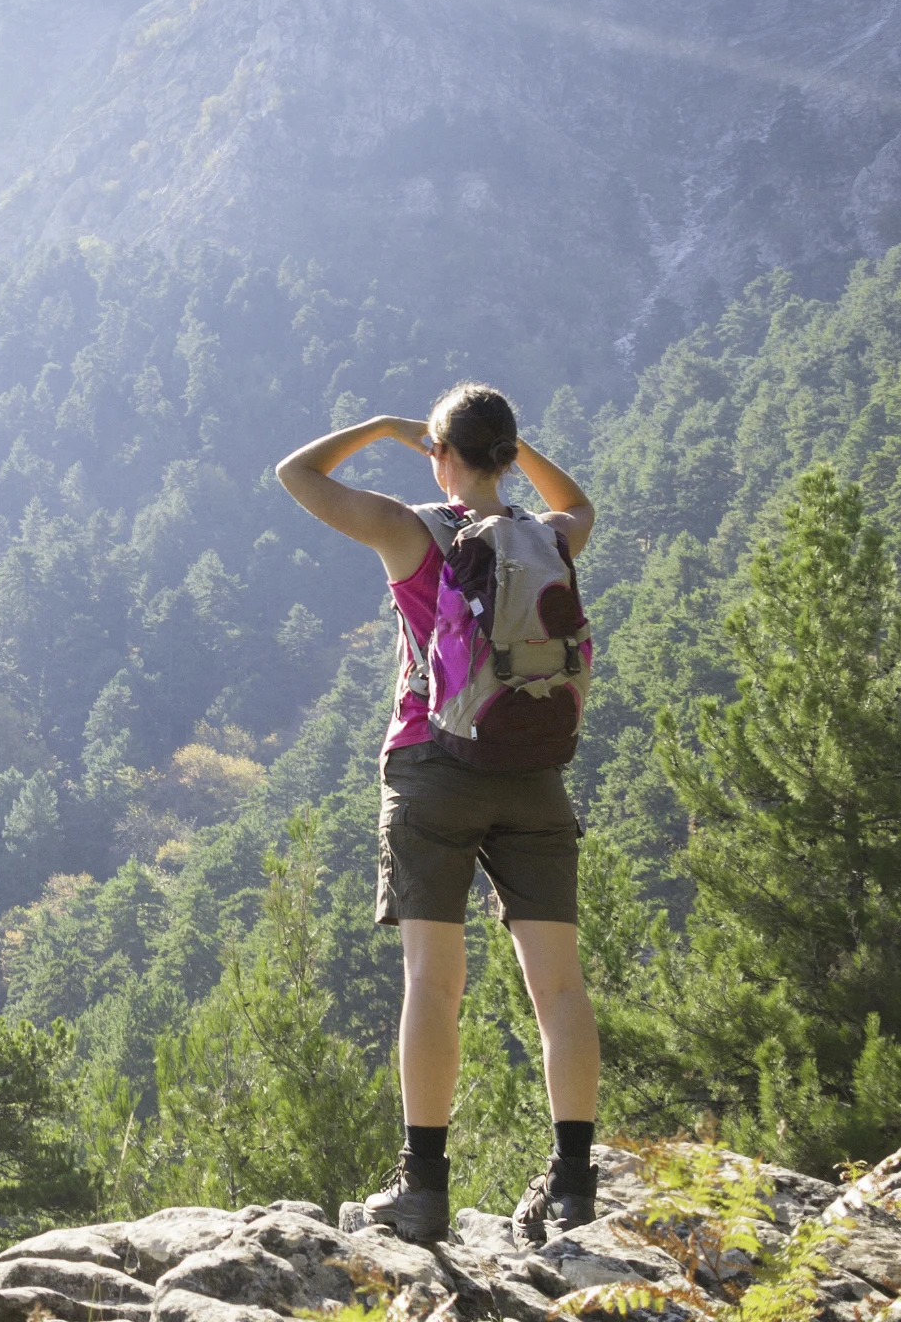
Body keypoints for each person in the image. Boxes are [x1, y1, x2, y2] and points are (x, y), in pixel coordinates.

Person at [273, 381, 600, 1244]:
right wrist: (511, 452)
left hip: (432, 768)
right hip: (535, 771)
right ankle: (572, 1187)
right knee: (559, 986)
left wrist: (384, 427)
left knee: (433, 981)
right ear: (504, 452)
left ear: (438, 453)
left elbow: (296, 473)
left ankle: (423, 1190)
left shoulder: (412, 532)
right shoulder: (552, 537)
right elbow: (578, 502)